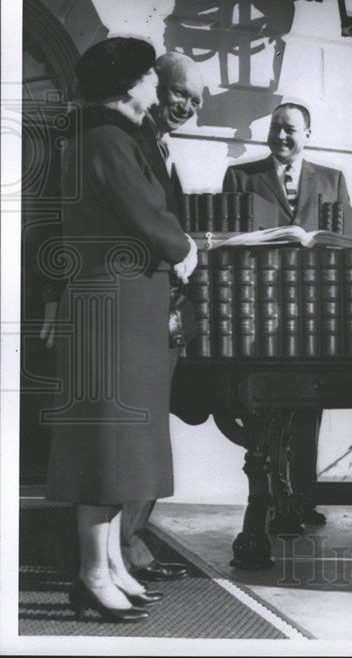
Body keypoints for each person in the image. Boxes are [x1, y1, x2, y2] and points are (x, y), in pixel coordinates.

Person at [43, 37, 198, 622]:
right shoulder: (105, 139)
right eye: (151, 80)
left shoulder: (109, 136)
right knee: (103, 447)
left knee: (119, 446)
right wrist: (185, 249)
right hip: (113, 308)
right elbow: (145, 214)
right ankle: (91, 573)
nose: (157, 89)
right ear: (130, 85)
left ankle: (110, 565)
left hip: (124, 308)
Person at [222, 102, 352, 527]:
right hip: (259, 312)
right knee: (263, 410)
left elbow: (347, 243)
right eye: (276, 128)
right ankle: (268, 499)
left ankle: (302, 498)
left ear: (308, 134)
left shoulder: (333, 180)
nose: (282, 136)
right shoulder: (241, 177)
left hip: (314, 314)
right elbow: (228, 239)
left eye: (291, 130)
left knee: (308, 405)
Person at [120, 52, 204, 583]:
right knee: (137, 433)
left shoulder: (160, 144)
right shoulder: (135, 141)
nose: (187, 107)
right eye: (180, 95)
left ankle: (128, 540)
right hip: (138, 304)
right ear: (157, 88)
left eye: (195, 102)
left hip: (163, 307)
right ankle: (123, 546)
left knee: (148, 433)